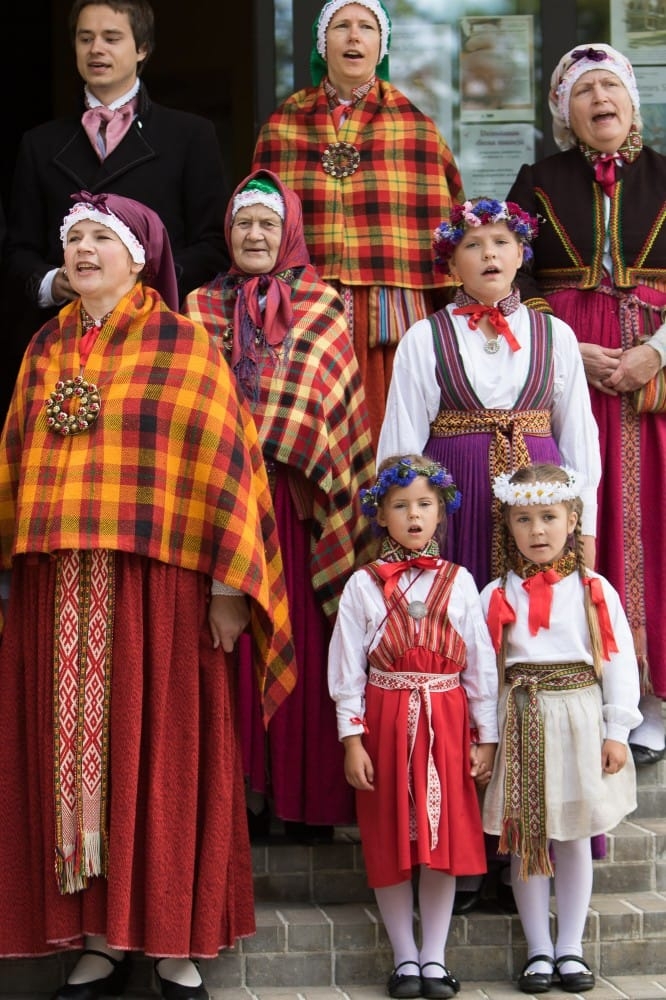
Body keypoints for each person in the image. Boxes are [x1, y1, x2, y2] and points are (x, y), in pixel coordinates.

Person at [0, 191, 295, 1000]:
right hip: (56, 585)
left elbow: (232, 467)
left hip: (157, 585)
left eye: (102, 237)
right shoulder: (43, 349)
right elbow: (17, 465)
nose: (84, 249)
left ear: (139, 257)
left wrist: (233, 586)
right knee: (72, 764)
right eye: (74, 239)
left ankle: (174, 940)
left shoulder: (184, 343)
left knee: (158, 753)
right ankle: (97, 940)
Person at [376, 197, 602, 913]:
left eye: (502, 242)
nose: (490, 255)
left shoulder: (554, 335)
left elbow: (581, 433)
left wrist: (582, 523)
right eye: (474, 245)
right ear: (452, 262)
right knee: (467, 673)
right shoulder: (425, 338)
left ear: (520, 254)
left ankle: (532, 849)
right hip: (463, 513)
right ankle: (465, 852)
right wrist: (411, 537)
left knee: (533, 664)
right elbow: (401, 443)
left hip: (540, 515)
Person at [184, 169, 376, 839]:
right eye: (243, 225)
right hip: (225, 506)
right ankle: (243, 796)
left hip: (296, 509)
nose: (256, 235)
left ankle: (304, 799)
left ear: (290, 230)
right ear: (228, 235)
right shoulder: (199, 307)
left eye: (268, 224)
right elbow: (192, 405)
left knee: (300, 638)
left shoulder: (324, 305)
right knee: (231, 648)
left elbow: (336, 409)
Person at [507, 43, 666, 766]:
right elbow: (512, 274)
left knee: (658, 526)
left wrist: (654, 353)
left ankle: (656, 698)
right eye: (583, 91)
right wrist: (569, 344)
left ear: (633, 102)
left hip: (654, 371)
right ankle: (594, 689)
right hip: (575, 375)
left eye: (611, 86)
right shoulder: (537, 181)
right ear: (564, 113)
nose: (599, 98)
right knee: (582, 514)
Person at [1, 0, 229, 424]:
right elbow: (17, 250)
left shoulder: (190, 135)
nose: (95, 49)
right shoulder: (40, 143)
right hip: (65, 345)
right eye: (85, 38)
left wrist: (148, 280)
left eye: (111, 37)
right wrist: (55, 281)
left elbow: (215, 243)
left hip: (160, 340)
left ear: (142, 47)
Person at [251, 0, 464, 447]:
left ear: (380, 44)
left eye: (366, 27)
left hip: (392, 314)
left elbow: (451, 225)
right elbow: (257, 219)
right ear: (321, 44)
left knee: (392, 431)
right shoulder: (283, 125)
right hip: (303, 306)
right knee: (312, 438)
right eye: (341, 27)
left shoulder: (416, 126)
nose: (353, 36)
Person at [328, 455, 499, 999]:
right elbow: (347, 667)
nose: (414, 515)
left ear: (441, 511)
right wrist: (352, 739)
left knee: (442, 840)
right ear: (382, 517)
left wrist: (487, 735)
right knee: (389, 838)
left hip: (447, 721)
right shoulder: (363, 586)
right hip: (385, 719)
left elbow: (480, 664)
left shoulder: (461, 582)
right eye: (400, 506)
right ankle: (404, 957)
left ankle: (435, 957)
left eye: (424, 504)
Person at [481, 464, 641, 994]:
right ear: (509, 525)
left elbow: (617, 662)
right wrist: (485, 735)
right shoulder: (496, 593)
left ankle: (570, 946)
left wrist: (616, 729)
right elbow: (482, 673)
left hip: (579, 718)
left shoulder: (594, 590)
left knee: (572, 839)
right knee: (529, 837)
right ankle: (538, 950)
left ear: (572, 519)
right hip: (521, 717)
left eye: (549, 517)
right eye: (524, 519)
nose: (538, 530)